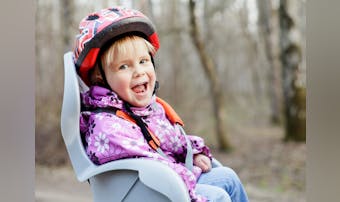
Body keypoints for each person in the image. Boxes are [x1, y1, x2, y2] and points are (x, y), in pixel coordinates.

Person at [74, 6, 249, 202]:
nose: (138, 72)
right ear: (101, 77)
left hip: (172, 183)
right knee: (218, 197)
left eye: (143, 61)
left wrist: (192, 151)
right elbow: (154, 166)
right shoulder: (107, 126)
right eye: (124, 66)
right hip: (147, 192)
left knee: (228, 178)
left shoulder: (144, 111)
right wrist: (191, 182)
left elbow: (169, 140)